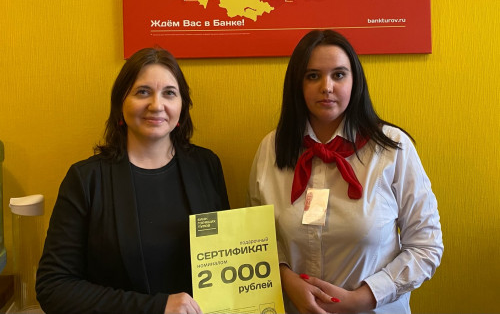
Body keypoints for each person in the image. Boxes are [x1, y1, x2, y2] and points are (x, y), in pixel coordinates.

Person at [247, 30, 443, 314]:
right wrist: (285, 280)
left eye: (338, 75)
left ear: (355, 81)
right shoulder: (271, 149)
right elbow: (257, 239)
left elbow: (426, 245)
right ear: (297, 84)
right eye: (313, 76)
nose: (326, 87)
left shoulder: (393, 149)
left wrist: (362, 299)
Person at [36, 47, 230, 314]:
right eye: (142, 92)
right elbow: (53, 287)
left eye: (169, 93)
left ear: (182, 106)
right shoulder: (86, 179)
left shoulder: (206, 166)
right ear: (120, 103)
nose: (157, 105)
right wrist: (156, 308)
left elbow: (226, 257)